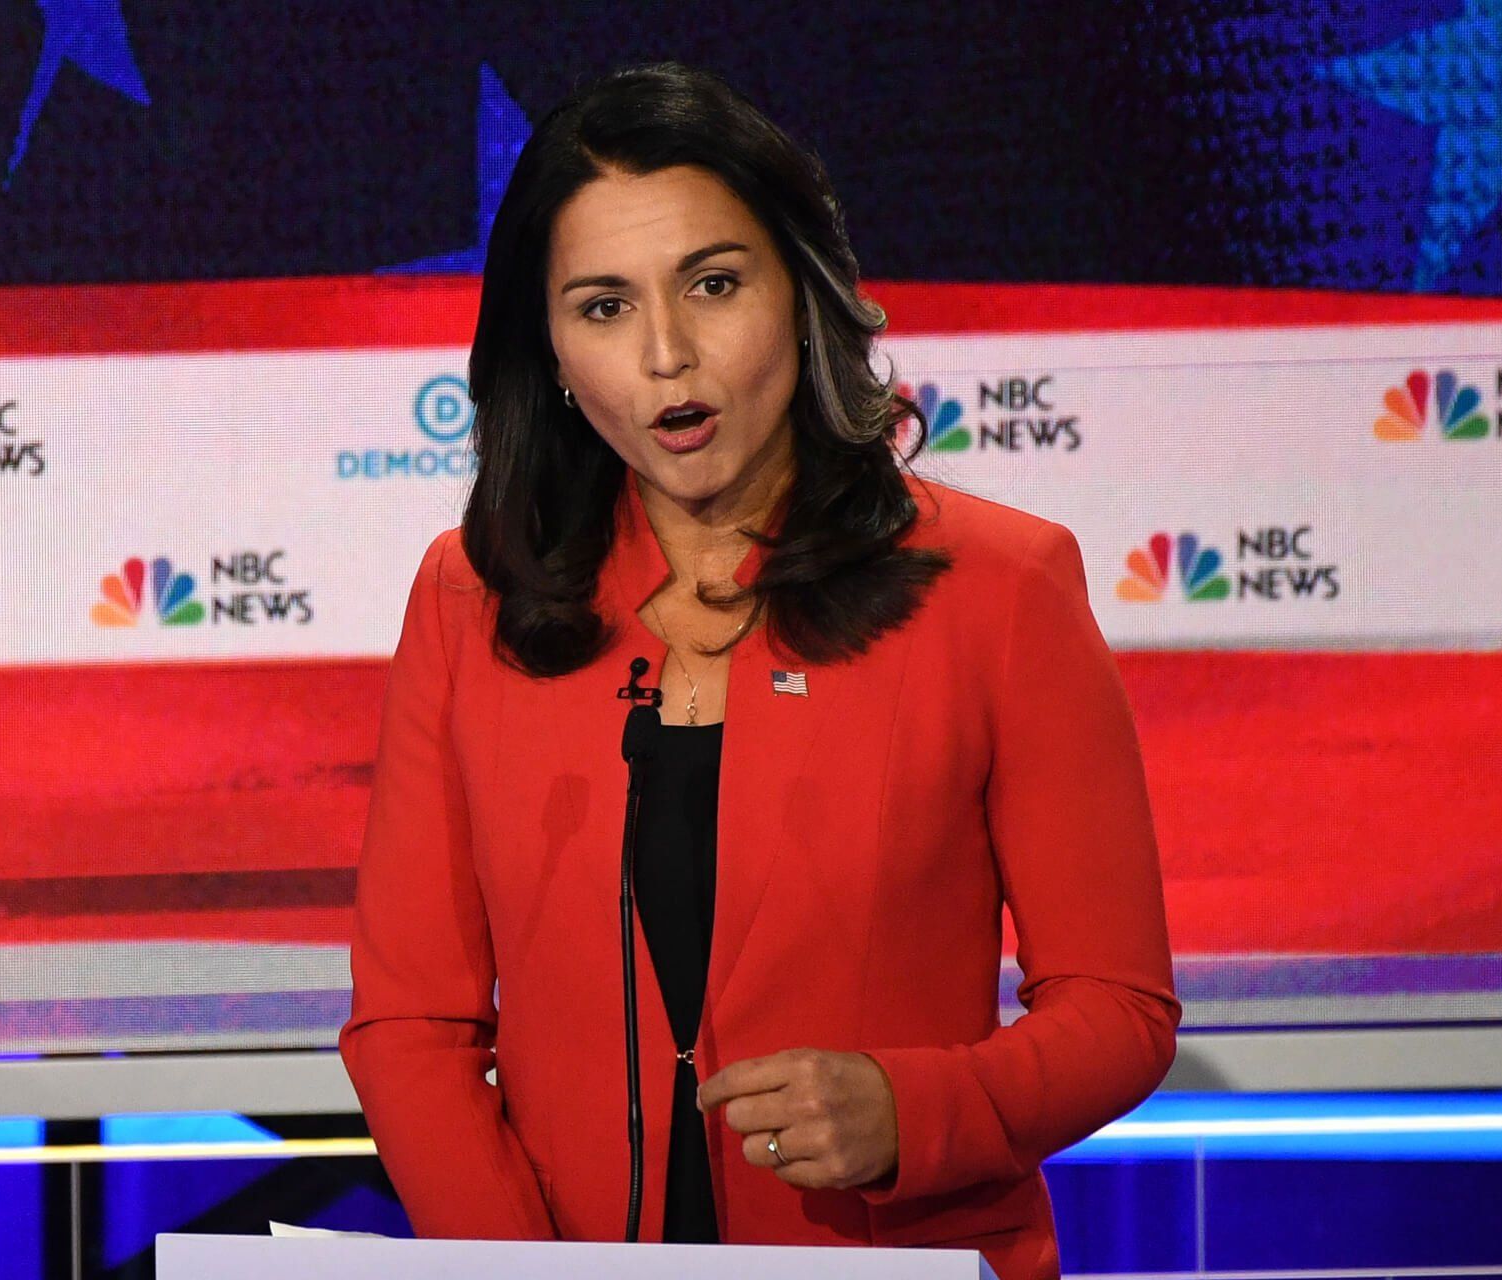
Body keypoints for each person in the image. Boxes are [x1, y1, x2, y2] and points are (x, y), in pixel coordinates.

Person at [339, 61, 1179, 1280]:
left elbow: (1119, 1008)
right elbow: (410, 1024)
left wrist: (919, 1107)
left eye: (714, 285)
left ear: (801, 292)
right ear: (553, 350)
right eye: (604, 306)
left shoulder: (999, 585)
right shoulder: (473, 598)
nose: (668, 356)